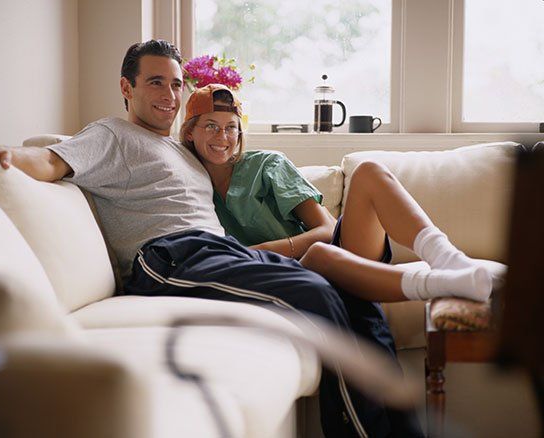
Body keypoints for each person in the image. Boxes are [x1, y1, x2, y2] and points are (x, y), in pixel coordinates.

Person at [0, 40, 422, 437]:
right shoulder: (111, 134)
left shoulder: (183, 151)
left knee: (353, 295)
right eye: (155, 81)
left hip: (219, 252)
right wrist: (2, 153)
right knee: (314, 294)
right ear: (125, 88)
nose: (169, 94)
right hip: (169, 258)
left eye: (176, 83)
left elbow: (227, 155)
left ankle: (406, 431)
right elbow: (50, 161)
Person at [180, 84, 497, 305]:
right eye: (210, 126)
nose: (222, 136)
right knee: (321, 257)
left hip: (345, 249)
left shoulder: (266, 165)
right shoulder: (184, 183)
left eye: (231, 127)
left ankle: (450, 261)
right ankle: (447, 284)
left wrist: (262, 250)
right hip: (292, 274)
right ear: (190, 131)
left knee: (369, 172)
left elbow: (328, 230)